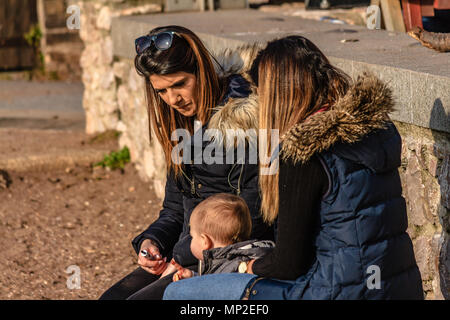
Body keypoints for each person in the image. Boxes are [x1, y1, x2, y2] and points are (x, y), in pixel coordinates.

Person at [163, 35, 424, 300]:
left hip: (338, 293)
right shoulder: (374, 130)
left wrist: (244, 266)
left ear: (277, 95)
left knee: (179, 294)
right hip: (397, 288)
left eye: (258, 92)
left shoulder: (303, 154)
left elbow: (288, 265)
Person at [99, 25, 273, 300]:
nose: (172, 99)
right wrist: (152, 242)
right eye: (162, 91)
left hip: (230, 260)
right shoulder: (181, 128)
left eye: (179, 84)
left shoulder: (246, 124)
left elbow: (254, 219)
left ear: (201, 72)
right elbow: (173, 210)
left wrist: (181, 260)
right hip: (186, 252)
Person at [170, 193, 274, 281]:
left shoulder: (229, 268)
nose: (191, 240)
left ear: (205, 241)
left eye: (192, 237)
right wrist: (192, 276)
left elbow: (210, 290)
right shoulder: (249, 256)